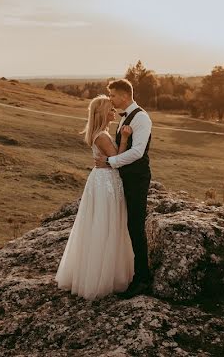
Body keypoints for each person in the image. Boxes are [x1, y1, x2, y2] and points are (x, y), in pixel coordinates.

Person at [55, 95, 135, 300]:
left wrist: (109, 160)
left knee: (102, 223)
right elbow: (118, 159)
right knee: (105, 224)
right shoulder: (102, 136)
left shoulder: (101, 133)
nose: (113, 112)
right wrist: (125, 139)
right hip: (106, 182)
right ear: (102, 113)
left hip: (103, 178)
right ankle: (101, 278)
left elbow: (111, 160)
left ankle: (99, 273)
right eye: (110, 110)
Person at [94, 78, 153, 298]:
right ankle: (131, 272)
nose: (111, 99)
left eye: (113, 96)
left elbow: (138, 152)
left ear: (125, 96)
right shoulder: (125, 117)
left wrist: (110, 163)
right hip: (125, 179)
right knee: (128, 226)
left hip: (137, 179)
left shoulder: (142, 118)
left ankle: (143, 278)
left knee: (136, 226)